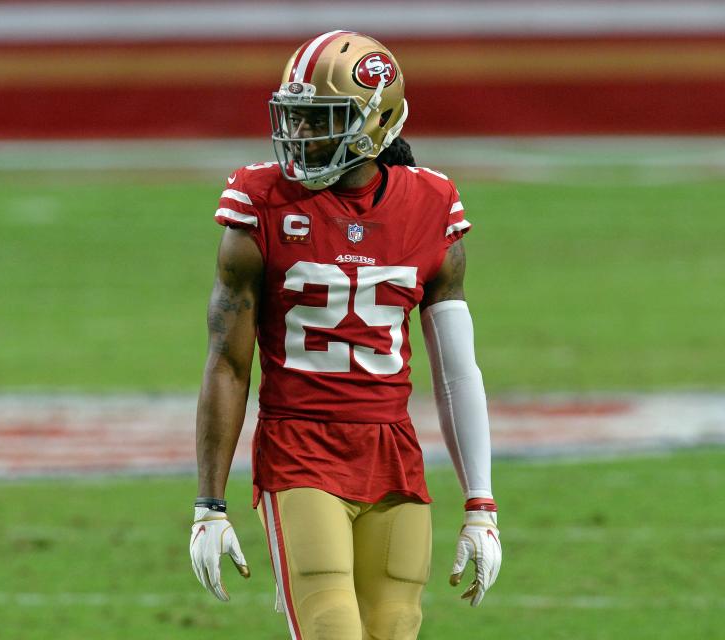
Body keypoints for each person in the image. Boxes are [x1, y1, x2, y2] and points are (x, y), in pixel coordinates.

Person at [189, 30, 501, 640]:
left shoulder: (430, 203)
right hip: (299, 449)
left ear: (375, 123)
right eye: (295, 118)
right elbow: (228, 363)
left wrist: (481, 503)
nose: (298, 136)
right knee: (332, 627)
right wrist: (210, 503)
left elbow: (457, 369)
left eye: (319, 120)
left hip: (393, 452)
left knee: (395, 630)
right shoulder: (261, 202)